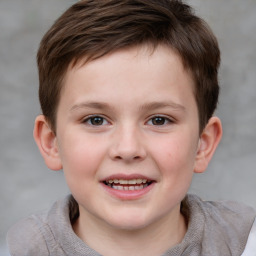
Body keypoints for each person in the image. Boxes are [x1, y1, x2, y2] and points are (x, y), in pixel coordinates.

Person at [7, 0, 256, 255]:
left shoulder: (246, 243)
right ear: (52, 142)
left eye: (159, 120)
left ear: (203, 144)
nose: (127, 149)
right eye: (96, 120)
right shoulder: (21, 250)